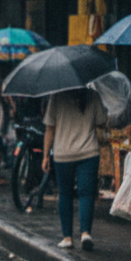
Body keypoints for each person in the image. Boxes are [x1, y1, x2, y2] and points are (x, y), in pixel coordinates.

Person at [42, 88, 107, 250]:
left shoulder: (56, 96)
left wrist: (45, 155)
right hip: (89, 152)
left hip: (63, 153)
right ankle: (85, 233)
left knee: (65, 194)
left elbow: (50, 128)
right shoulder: (93, 95)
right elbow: (101, 121)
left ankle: (67, 237)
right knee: (86, 194)